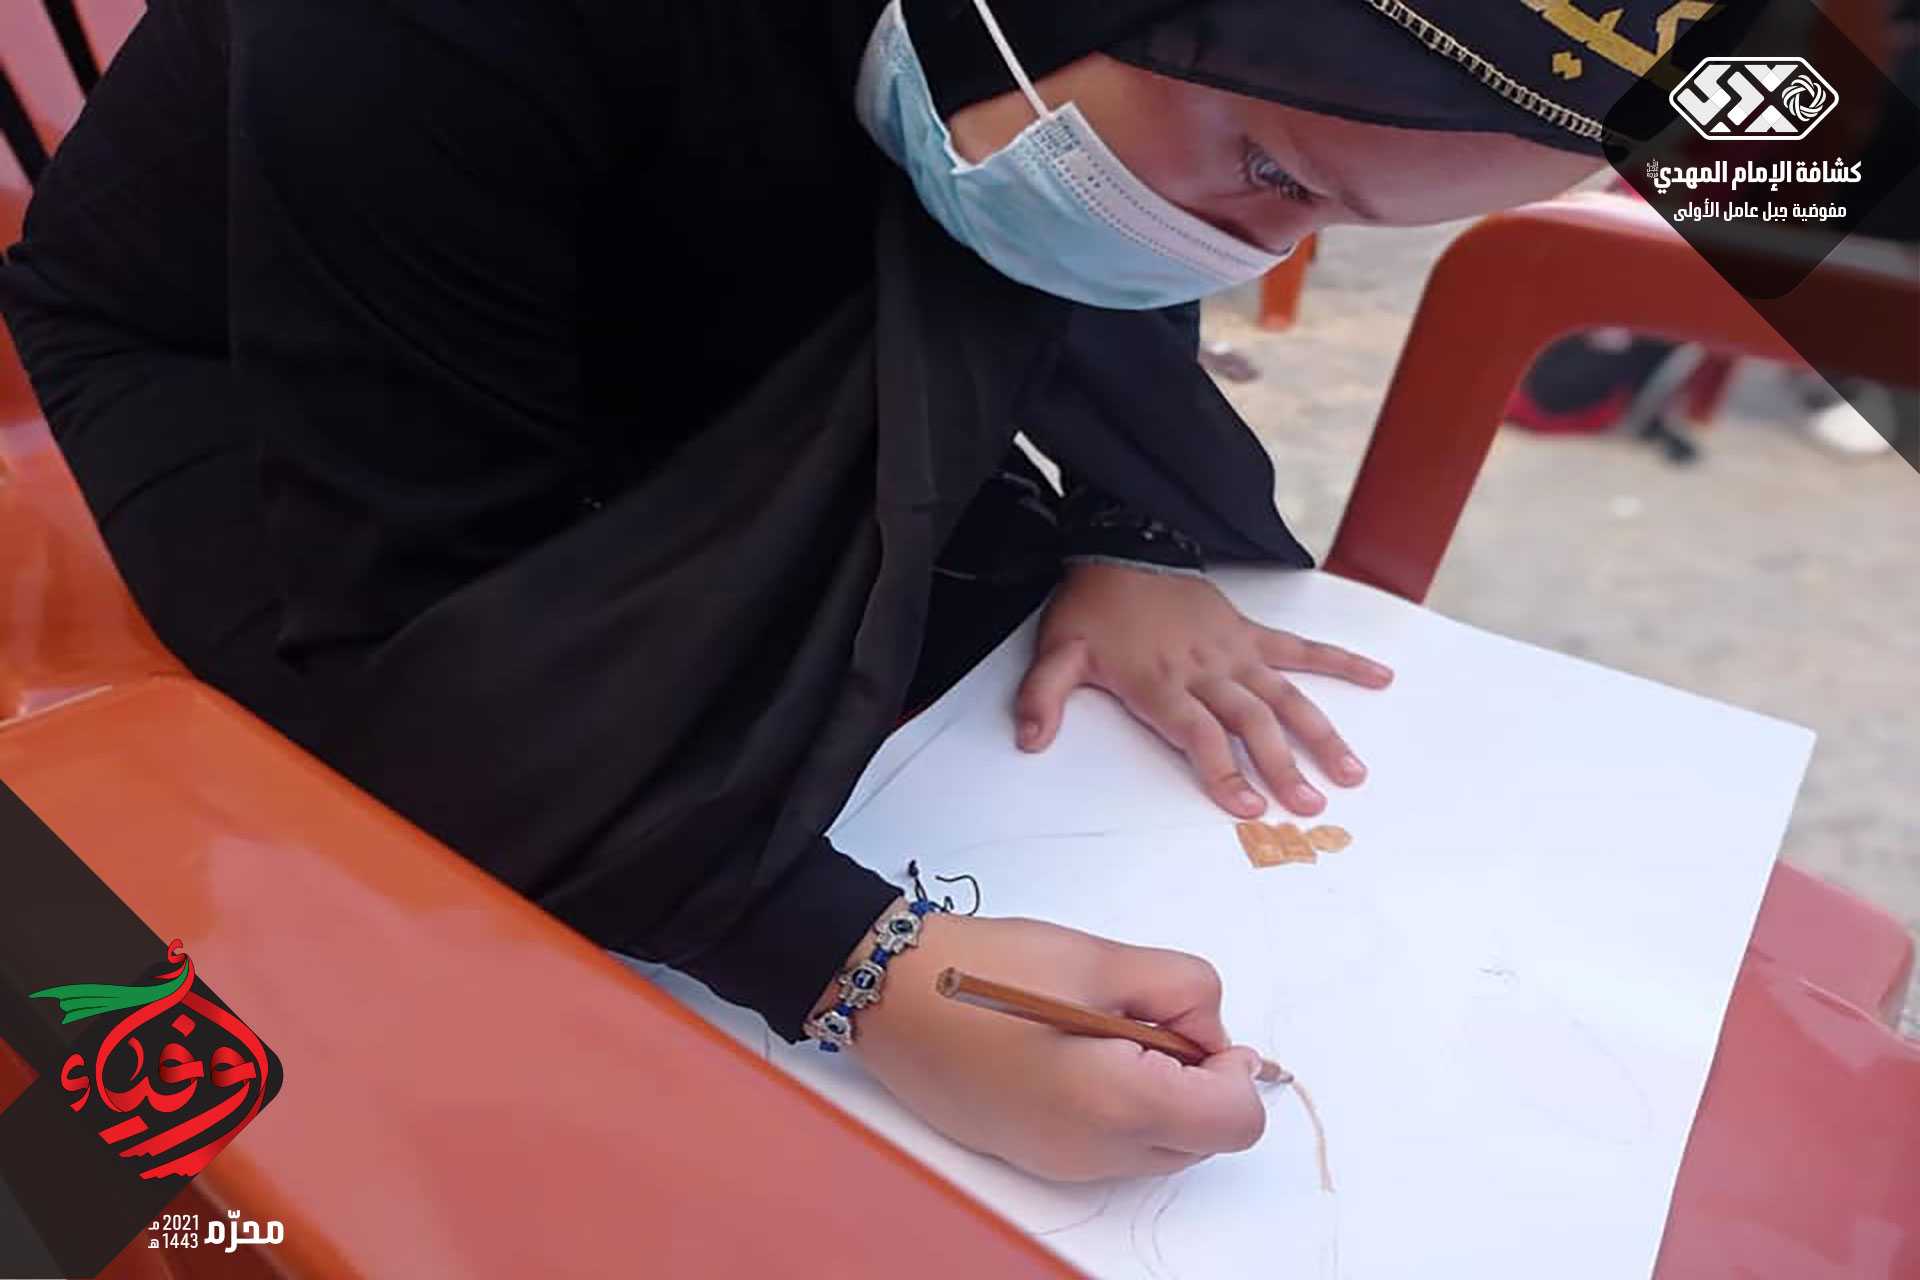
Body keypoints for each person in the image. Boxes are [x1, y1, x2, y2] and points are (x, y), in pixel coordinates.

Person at [2, 0, 1683, 1180]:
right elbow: (428, 626)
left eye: (1335, 228)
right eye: (1279, 177)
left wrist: (1137, 525)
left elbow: (1094, 176)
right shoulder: (418, 32)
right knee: (447, 904)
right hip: (258, 356)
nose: (1248, 256)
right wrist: (857, 969)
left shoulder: (1056, 68)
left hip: (717, 243)